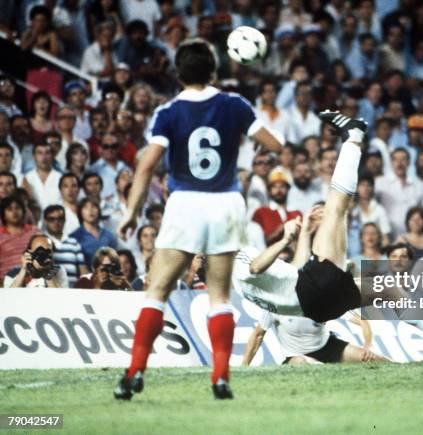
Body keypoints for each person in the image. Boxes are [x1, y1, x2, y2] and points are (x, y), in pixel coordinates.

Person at [232, 111, 423, 362]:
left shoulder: (237, 283)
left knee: (386, 288)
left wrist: (306, 235)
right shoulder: (238, 261)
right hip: (311, 290)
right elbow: (255, 266)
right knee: (335, 207)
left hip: (315, 307)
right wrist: (286, 240)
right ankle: (353, 134)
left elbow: (291, 270)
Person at [113, 39, 282, 401]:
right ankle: (220, 377)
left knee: (157, 290)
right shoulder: (234, 104)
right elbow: (276, 145)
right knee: (220, 296)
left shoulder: (168, 111)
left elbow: (146, 164)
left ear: (178, 74)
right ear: (214, 71)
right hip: (225, 203)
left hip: (185, 203)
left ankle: (134, 372)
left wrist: (131, 210)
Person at [242, 310, 387, 366]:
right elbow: (258, 334)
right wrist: (244, 366)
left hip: (328, 347)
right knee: (303, 364)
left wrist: (368, 345)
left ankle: (404, 368)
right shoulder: (275, 304)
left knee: (371, 358)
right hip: (296, 355)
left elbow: (362, 321)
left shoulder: (322, 300)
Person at [375, 148, 423, 239]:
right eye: (396, 159)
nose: (399, 163)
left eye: (403, 159)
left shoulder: (420, 186)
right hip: (388, 235)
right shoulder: (380, 183)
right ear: (391, 163)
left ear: (409, 162)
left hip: (413, 236)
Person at [252, 170, 302, 246]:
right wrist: (279, 231)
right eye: (274, 187)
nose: (279, 190)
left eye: (282, 186)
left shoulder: (296, 213)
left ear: (288, 189)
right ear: (269, 191)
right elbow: (257, 242)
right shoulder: (261, 212)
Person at [43, 204, 87, 287]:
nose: (56, 222)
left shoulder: (74, 242)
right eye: (51, 219)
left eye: (60, 218)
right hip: (49, 288)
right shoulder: (41, 241)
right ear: (45, 221)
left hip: (71, 289)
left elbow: (83, 272)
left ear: (65, 220)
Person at [3, 234, 69, 288]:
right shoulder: (13, 273)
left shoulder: (58, 271)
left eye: (47, 252)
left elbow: (60, 299)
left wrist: (48, 273)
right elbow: (10, 297)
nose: (42, 256)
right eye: (38, 252)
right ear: (29, 253)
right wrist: (24, 270)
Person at [70, 198, 118, 268]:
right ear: (80, 212)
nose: (90, 210)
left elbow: (115, 259)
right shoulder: (75, 237)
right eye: (86, 207)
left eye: (94, 206)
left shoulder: (109, 235)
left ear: (99, 210)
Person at [0, 195, 40, 279]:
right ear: (3, 214)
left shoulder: (35, 232)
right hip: (7, 283)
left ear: (23, 211)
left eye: (17, 208)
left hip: (33, 281)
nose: (14, 212)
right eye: (9, 209)